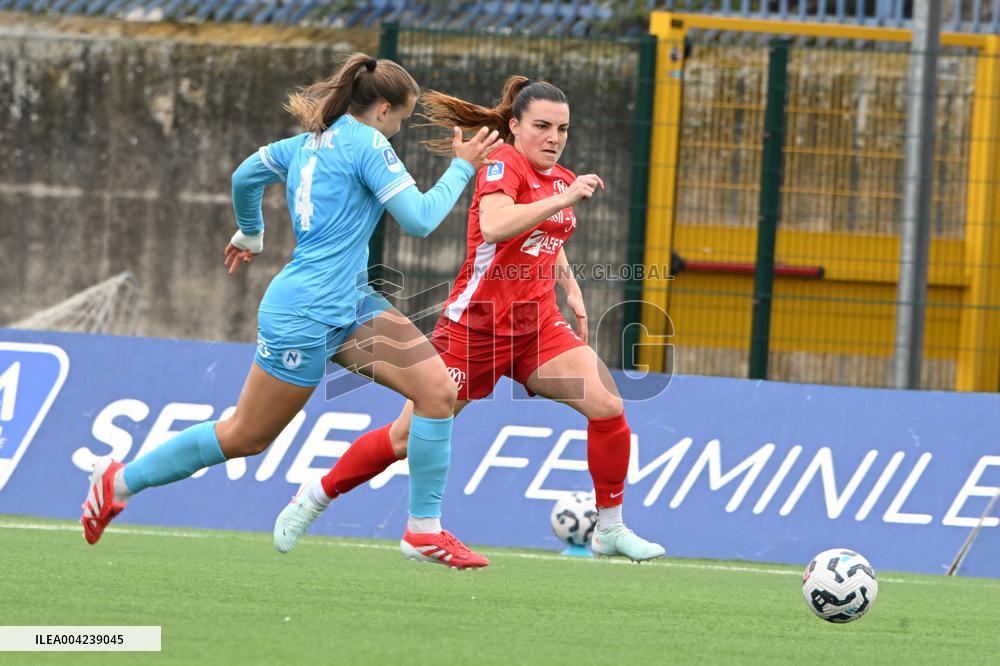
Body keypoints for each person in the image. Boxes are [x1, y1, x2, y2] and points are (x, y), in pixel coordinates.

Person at [80, 53, 502, 568]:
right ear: (384, 109)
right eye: (401, 120)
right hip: (304, 315)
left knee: (438, 391)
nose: (397, 132)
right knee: (244, 436)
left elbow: (244, 175)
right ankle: (118, 480)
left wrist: (250, 231)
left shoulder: (303, 145)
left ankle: (423, 530)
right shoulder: (368, 142)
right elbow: (418, 220)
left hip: (349, 304)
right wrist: (463, 168)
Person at [273, 76, 665, 563]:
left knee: (607, 405)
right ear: (515, 126)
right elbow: (498, 225)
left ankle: (609, 528)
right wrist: (565, 200)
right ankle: (314, 496)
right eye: (542, 126)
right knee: (402, 438)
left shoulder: (560, 178)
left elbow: (546, 237)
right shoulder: (503, 165)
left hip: (537, 325)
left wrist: (570, 287)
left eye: (562, 129)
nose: (554, 138)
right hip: (476, 329)